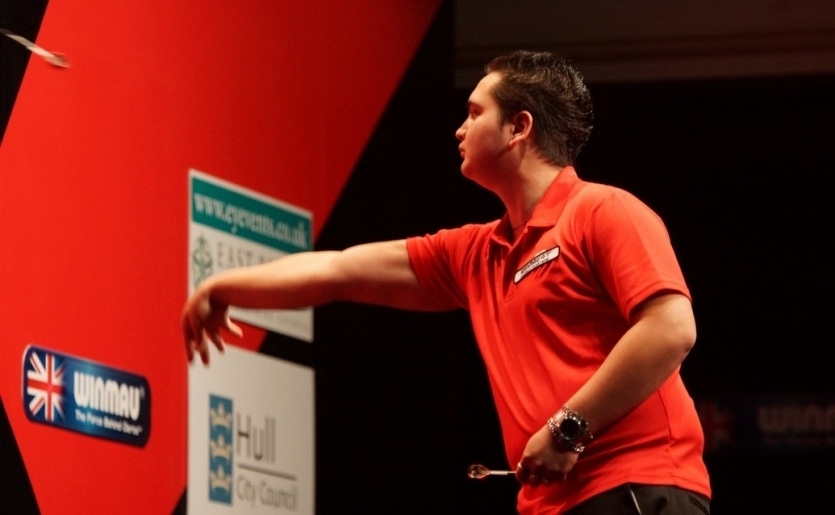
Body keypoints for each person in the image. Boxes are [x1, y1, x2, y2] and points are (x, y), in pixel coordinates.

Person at [182, 50, 711, 514]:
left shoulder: (603, 210)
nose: (459, 130)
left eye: (475, 113)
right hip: (552, 503)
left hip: (637, 486)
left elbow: (670, 329)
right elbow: (338, 270)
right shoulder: (476, 254)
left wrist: (567, 428)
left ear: (518, 128)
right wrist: (222, 288)